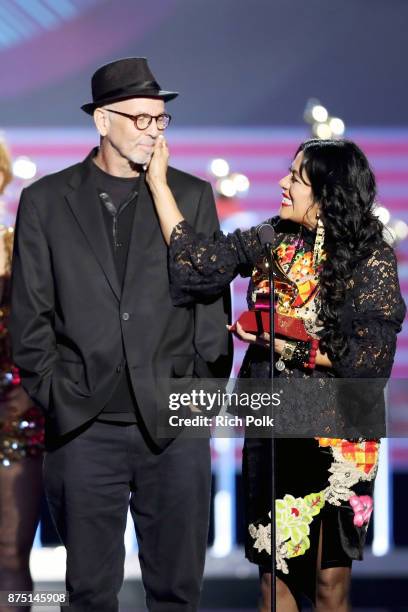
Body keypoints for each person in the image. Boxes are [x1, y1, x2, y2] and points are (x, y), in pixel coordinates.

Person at [145, 135, 406, 611]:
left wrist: (290, 342)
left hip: (341, 433)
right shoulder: (270, 238)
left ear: (327, 194)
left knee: (330, 586)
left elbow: (371, 359)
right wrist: (160, 185)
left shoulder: (370, 256)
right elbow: (195, 266)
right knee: (273, 583)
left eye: (297, 178)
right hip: (274, 425)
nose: (282, 183)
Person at [10, 58, 232, 612]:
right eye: (140, 119)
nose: (153, 131)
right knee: (88, 593)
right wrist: (58, 396)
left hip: (174, 426)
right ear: (102, 121)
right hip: (84, 428)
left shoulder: (191, 196)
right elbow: (31, 316)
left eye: (161, 120)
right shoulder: (46, 201)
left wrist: (199, 397)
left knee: (178, 593)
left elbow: (211, 306)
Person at [0, 141, 44, 612]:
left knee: (12, 552)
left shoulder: (17, 247)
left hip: (15, 417)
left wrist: (31, 391)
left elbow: (47, 328)